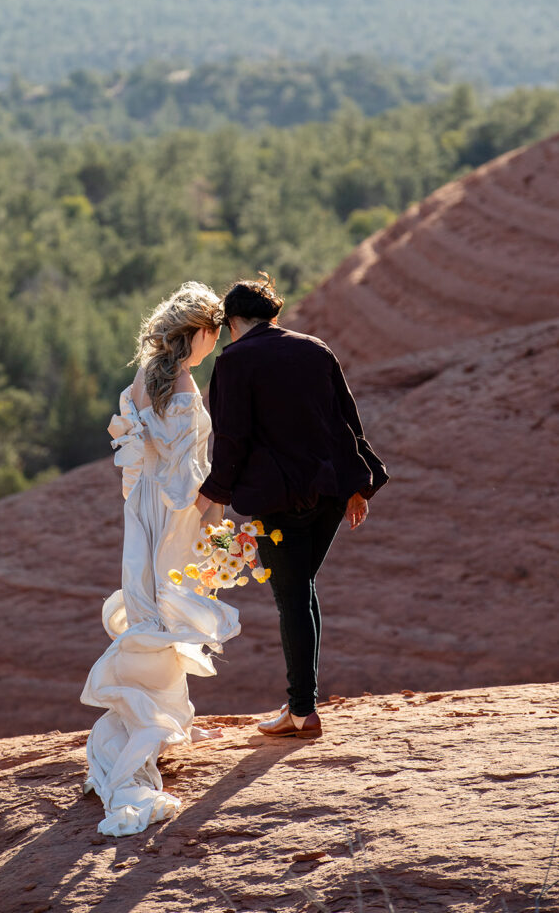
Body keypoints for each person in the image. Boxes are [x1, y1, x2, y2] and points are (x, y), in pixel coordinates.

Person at [196, 272, 389, 740]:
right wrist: (359, 486)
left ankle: (301, 711)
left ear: (232, 321)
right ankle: (301, 704)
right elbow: (346, 420)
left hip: (278, 498)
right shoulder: (314, 348)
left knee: (292, 596)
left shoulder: (235, 361)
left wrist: (213, 495)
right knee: (302, 588)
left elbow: (233, 439)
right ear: (274, 315)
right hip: (330, 492)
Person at [80, 281, 240, 836]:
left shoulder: (141, 380)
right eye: (212, 336)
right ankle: (149, 735)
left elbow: (135, 458)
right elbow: (183, 470)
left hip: (143, 509)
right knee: (171, 615)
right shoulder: (183, 382)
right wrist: (213, 522)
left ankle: (162, 720)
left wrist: (146, 503)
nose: (212, 346)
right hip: (175, 512)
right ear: (198, 331)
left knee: (153, 612)